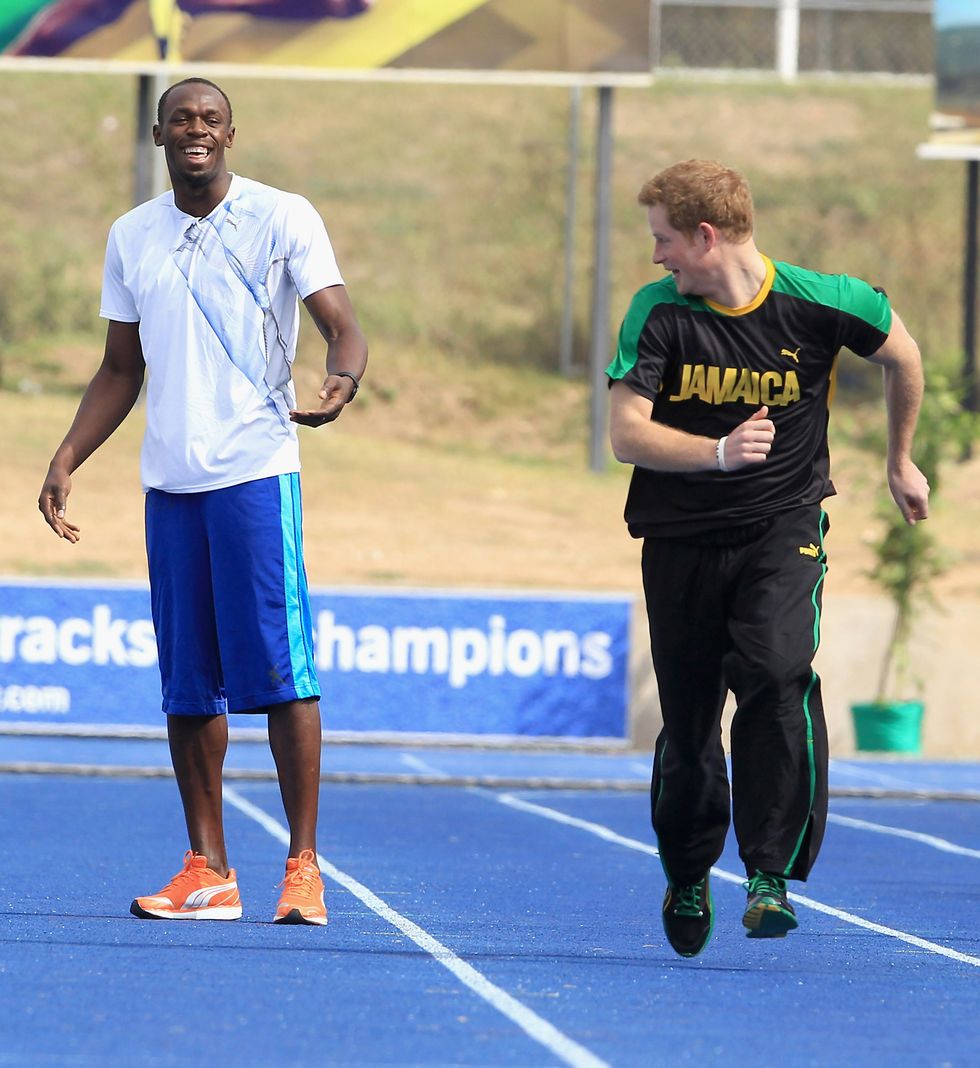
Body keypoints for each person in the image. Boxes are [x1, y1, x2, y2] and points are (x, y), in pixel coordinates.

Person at [38, 77, 368, 926]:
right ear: (159, 135)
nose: (196, 130)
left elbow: (342, 324)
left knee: (285, 674)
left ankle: (302, 866)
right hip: (170, 486)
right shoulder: (131, 236)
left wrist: (342, 379)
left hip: (256, 473)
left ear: (230, 134)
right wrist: (68, 455)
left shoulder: (282, 216)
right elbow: (120, 368)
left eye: (210, 119)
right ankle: (209, 868)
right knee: (188, 685)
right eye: (181, 118)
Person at [606, 159, 929, 958]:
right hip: (680, 541)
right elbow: (625, 434)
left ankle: (768, 873)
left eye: (664, 240)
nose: (656, 258)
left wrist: (900, 460)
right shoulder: (656, 313)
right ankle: (688, 870)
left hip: (782, 530)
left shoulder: (823, 301)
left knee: (778, 673)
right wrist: (717, 453)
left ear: (707, 235)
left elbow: (904, 356)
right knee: (687, 729)